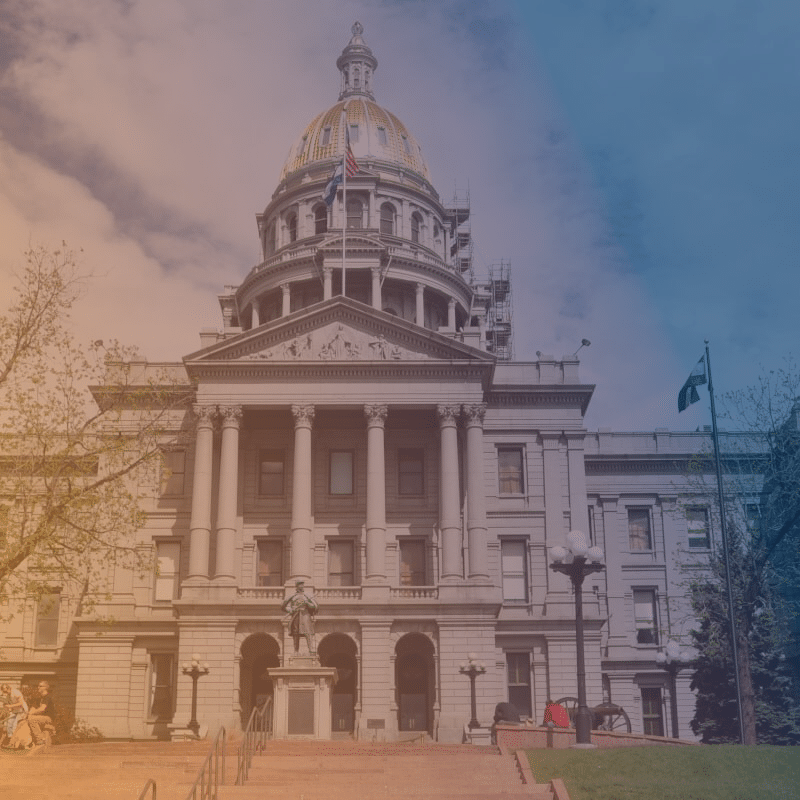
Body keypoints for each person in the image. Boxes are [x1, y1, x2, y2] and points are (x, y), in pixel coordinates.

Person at [281, 581, 318, 657]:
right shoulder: (292, 596)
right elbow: (283, 605)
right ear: (296, 587)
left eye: (302, 585)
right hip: (296, 615)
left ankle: (311, 650)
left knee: (308, 632)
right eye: (299, 585)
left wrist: (308, 603)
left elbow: (314, 606)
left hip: (305, 615)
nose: (301, 587)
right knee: (296, 633)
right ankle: (296, 651)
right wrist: (290, 609)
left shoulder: (307, 596)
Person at [27, 681, 55, 750]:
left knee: (32, 719)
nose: (38, 687)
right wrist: (29, 714)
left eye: (40, 686)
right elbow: (33, 708)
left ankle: (40, 740)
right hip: (41, 718)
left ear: (45, 688)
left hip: (49, 718)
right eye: (38, 686)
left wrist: (31, 714)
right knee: (29, 719)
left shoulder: (47, 697)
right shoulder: (39, 698)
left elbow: (41, 709)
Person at [0, 682, 28, 748]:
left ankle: (15, 744)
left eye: (5, 690)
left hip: (21, 710)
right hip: (14, 711)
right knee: (9, 725)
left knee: (15, 726)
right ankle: (11, 743)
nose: (5, 692)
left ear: (8, 688)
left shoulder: (16, 692)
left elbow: (21, 703)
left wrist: (10, 706)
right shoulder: (8, 695)